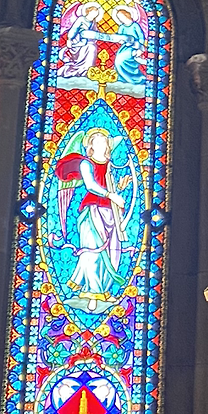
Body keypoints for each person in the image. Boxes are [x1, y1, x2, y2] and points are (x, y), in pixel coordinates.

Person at [55, 128, 130, 303]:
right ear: (90, 146)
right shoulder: (86, 164)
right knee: (93, 252)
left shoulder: (110, 165)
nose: (102, 144)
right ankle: (92, 292)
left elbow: (109, 186)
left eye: (104, 141)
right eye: (97, 141)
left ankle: (103, 291)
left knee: (112, 253)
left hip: (111, 212)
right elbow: (90, 185)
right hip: (92, 211)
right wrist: (112, 195)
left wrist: (120, 187)